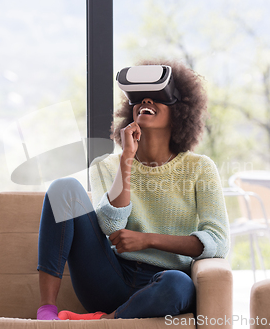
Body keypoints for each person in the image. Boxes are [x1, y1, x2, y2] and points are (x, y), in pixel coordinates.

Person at [36, 59, 230, 321]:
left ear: (180, 110)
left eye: (157, 97)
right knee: (63, 188)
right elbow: (110, 225)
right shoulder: (106, 166)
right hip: (109, 278)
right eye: (140, 98)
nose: (146, 102)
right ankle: (46, 312)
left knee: (179, 285)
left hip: (162, 286)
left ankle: (106, 321)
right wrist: (127, 158)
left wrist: (148, 239)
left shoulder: (200, 168)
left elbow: (217, 242)